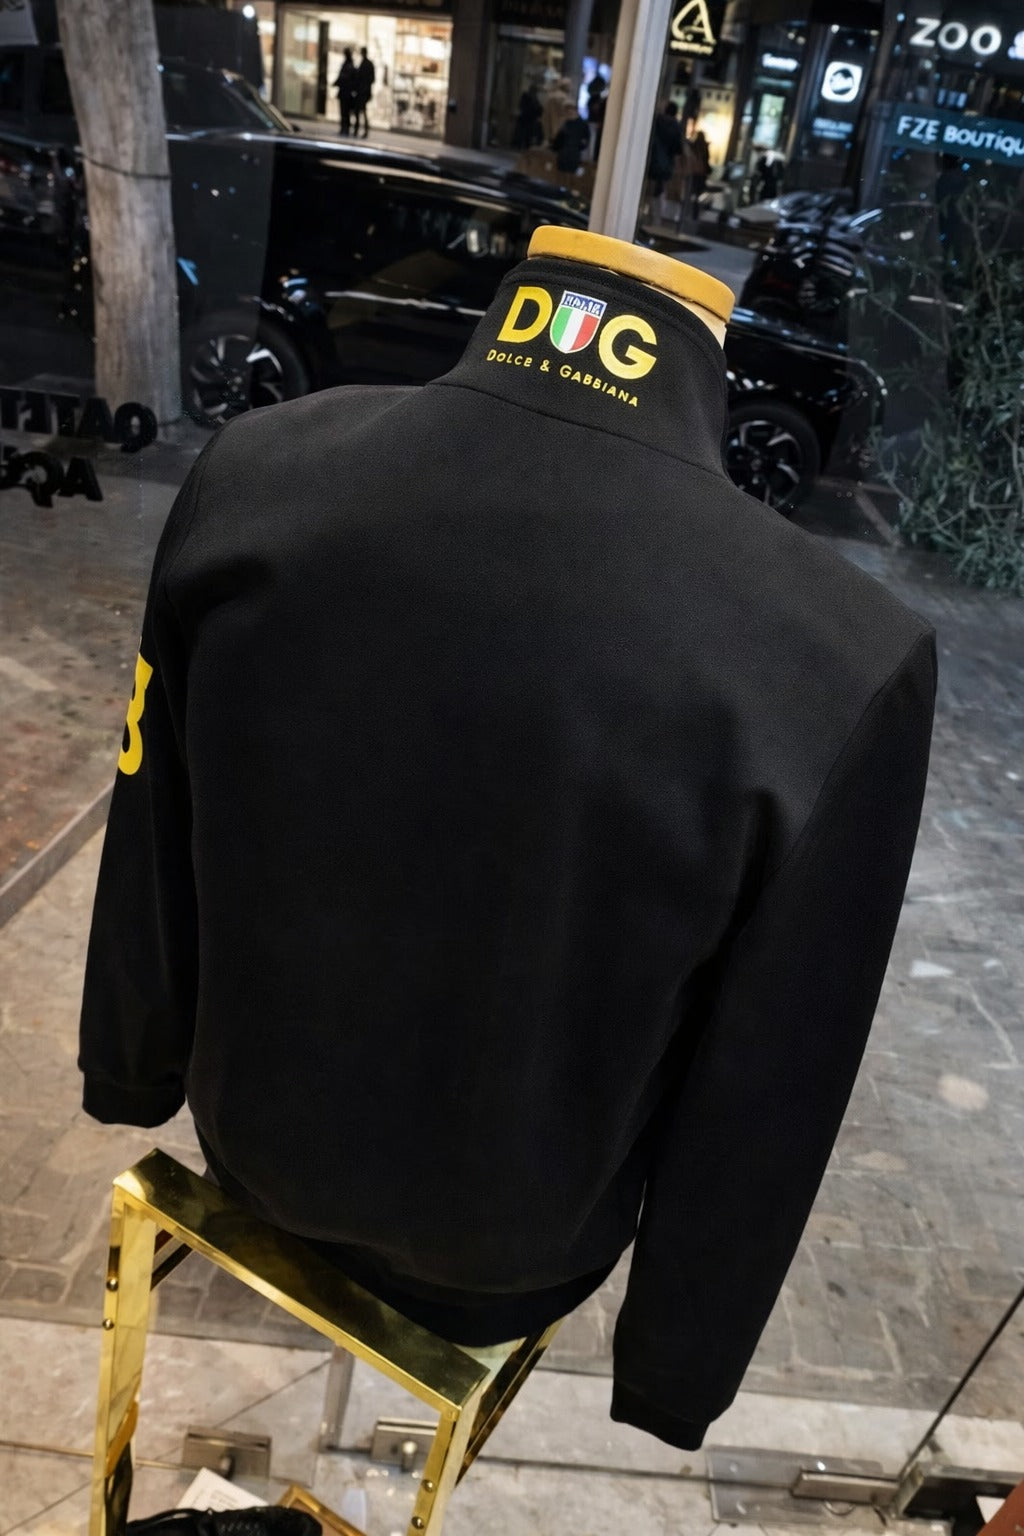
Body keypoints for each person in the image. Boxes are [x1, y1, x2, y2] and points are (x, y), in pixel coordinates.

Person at [79, 227, 935, 1451]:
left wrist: (132, 1063)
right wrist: (678, 1360)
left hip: (257, 1140)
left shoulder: (261, 473)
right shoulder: (834, 656)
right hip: (513, 1240)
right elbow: (777, 1073)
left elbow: (149, 817)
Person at [647, 99, 683, 220]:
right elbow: (678, 148)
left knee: (649, 187)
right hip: (666, 163)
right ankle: (655, 216)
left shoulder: (657, 121)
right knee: (660, 187)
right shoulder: (676, 126)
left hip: (653, 159)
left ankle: (646, 212)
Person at [552, 106, 589, 174]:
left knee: (572, 174)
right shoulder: (565, 124)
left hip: (573, 155)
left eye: (571, 112)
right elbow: (558, 140)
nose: (569, 114)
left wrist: (576, 146)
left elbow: (585, 142)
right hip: (564, 155)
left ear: (576, 112)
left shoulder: (582, 125)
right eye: (568, 113)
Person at [333, 46, 357, 136]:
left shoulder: (349, 65)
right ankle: (344, 127)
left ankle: (345, 128)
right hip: (345, 92)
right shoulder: (348, 65)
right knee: (344, 111)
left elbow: (344, 77)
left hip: (346, 92)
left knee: (345, 111)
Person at [512, 82, 543, 150]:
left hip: (526, 117)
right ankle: (522, 145)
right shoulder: (531, 97)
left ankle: (520, 145)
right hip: (528, 118)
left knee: (523, 132)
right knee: (526, 133)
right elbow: (536, 108)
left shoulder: (530, 96)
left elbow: (522, 105)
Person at [689, 128, 711, 219]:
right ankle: (695, 212)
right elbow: (706, 160)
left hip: (694, 172)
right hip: (701, 174)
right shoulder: (704, 147)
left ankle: (690, 210)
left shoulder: (693, 146)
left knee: (691, 192)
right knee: (698, 194)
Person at [353, 45, 375, 138]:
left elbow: (371, 79)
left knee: (361, 111)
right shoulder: (365, 63)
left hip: (363, 92)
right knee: (359, 111)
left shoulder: (367, 64)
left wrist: (364, 87)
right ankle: (359, 129)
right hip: (362, 91)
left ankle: (362, 130)